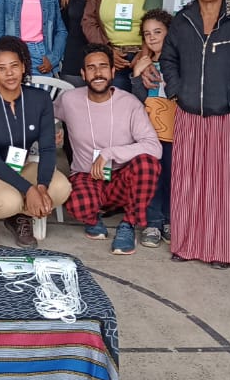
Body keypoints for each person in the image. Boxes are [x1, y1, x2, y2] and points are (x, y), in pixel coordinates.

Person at [161, 0, 230, 269]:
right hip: (187, 112)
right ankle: (185, 244)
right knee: (187, 181)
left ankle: (221, 249)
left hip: (224, 114)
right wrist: (176, 89)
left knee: (222, 185)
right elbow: (168, 58)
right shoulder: (183, 20)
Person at [0, 37, 72, 248]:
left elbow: (48, 148)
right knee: (9, 200)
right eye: (1, 68)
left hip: (21, 165)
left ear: (23, 67)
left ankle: (18, 216)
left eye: (14, 66)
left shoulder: (40, 99)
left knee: (61, 188)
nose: (9, 73)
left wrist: (41, 186)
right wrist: (30, 190)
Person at [55, 44, 162, 256]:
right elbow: (44, 115)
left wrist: (109, 153)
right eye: (91, 68)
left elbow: (154, 147)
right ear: (83, 74)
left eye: (103, 66)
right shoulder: (69, 99)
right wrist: (54, 128)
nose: (98, 73)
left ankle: (128, 223)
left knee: (147, 164)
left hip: (121, 179)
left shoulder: (130, 103)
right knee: (77, 202)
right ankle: (93, 218)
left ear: (113, 71)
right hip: (86, 175)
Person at [131, 8, 175, 249]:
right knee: (153, 177)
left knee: (171, 176)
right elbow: (138, 100)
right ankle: (153, 222)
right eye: (147, 34)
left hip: (174, 131)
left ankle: (169, 219)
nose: (152, 37)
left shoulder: (179, 63)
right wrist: (137, 74)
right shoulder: (145, 63)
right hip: (150, 133)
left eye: (158, 32)